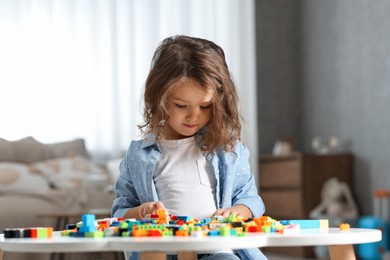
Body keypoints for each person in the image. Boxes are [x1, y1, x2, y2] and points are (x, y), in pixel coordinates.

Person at [112, 35, 266, 260]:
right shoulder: (139, 156)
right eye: (181, 105)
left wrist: (239, 212)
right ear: (158, 99)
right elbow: (120, 212)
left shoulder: (227, 151)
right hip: (163, 252)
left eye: (205, 106)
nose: (194, 116)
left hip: (215, 249)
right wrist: (140, 212)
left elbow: (251, 199)